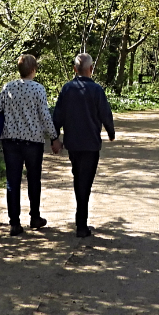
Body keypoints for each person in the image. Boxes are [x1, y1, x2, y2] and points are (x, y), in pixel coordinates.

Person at [0, 54, 62, 236]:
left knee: (12, 181)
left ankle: (14, 223)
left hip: (10, 141)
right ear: (33, 70)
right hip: (33, 142)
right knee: (33, 179)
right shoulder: (38, 89)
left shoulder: (8, 87)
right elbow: (44, 116)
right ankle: (35, 217)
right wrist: (54, 137)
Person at [52, 52, 115, 238]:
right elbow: (105, 113)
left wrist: (55, 138)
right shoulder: (97, 90)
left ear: (74, 69)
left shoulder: (67, 89)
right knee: (84, 183)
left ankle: (81, 221)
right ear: (91, 69)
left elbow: (58, 116)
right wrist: (111, 132)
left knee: (78, 178)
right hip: (91, 144)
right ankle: (81, 225)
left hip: (73, 144)